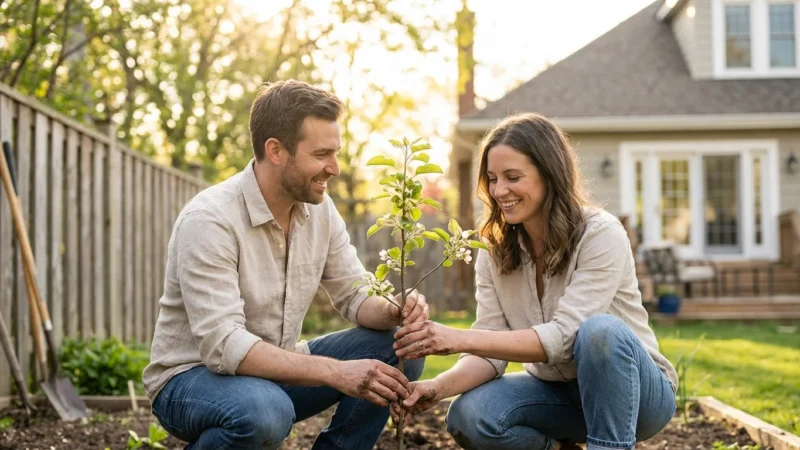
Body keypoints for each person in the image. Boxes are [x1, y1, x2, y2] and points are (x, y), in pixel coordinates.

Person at [143, 80, 427, 450]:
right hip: (191, 380)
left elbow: (354, 295)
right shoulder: (211, 219)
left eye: (335, 153)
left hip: (275, 372)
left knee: (401, 345)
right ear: (275, 151)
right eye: (322, 154)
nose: (335, 168)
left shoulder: (320, 211)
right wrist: (337, 372)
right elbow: (224, 345)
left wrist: (395, 310)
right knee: (265, 412)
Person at [390, 113, 678, 450]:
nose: (499, 190)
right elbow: (490, 350)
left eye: (513, 177)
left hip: (637, 396)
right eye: (492, 178)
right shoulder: (495, 249)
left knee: (601, 331)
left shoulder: (601, 234)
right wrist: (436, 387)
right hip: (560, 395)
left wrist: (455, 337)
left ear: (549, 174)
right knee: (469, 415)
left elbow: (563, 338)